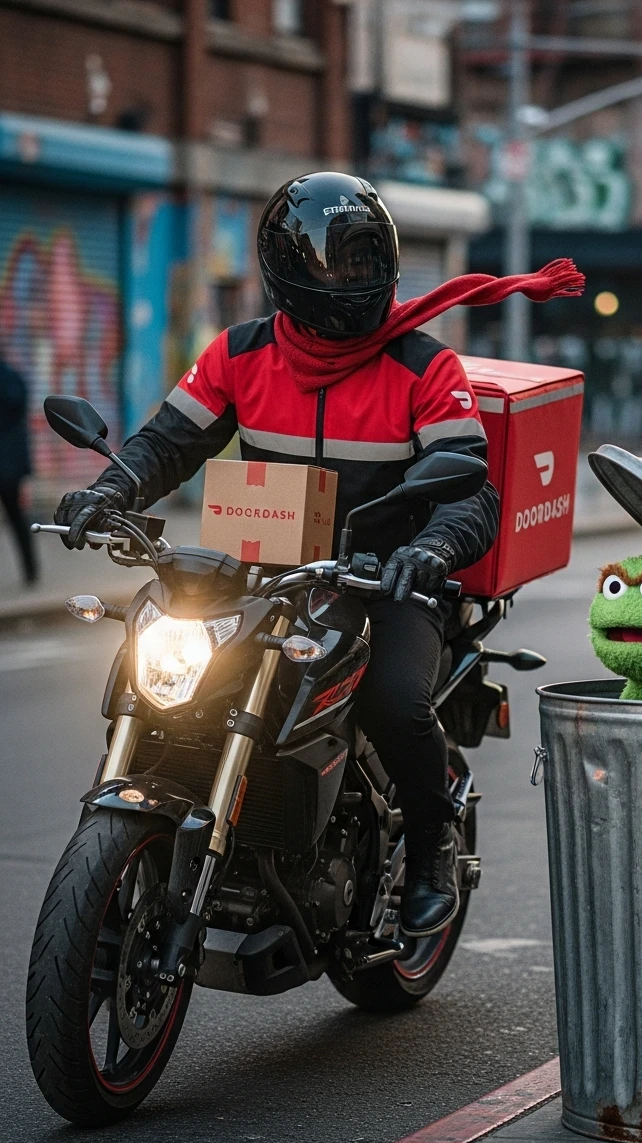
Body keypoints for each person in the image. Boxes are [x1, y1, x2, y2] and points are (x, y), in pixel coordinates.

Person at [54, 171, 583, 937]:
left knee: (396, 700)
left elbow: (474, 493)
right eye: (337, 265)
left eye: (367, 263)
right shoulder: (240, 354)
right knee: (167, 675)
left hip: (390, 578)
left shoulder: (423, 367)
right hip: (269, 573)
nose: (354, 281)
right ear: (291, 269)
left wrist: (432, 548)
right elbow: (169, 443)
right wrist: (110, 490)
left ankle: (431, 850)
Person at [0, 349, 38, 586]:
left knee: (16, 518)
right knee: (16, 519)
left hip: (8, 467)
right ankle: (31, 572)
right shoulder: (13, 378)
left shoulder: (9, 380)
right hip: (10, 467)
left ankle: (31, 571)